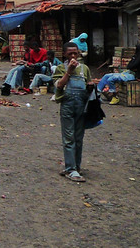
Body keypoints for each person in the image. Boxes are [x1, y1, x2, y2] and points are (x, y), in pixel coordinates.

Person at [52, 42, 92, 182]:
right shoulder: (60, 68)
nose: (73, 56)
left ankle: (76, 166)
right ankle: (71, 169)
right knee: (69, 137)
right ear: (64, 54)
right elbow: (60, 85)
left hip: (81, 105)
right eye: (70, 54)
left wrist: (90, 87)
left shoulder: (84, 69)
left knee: (79, 138)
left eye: (75, 53)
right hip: (67, 105)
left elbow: (88, 85)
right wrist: (68, 71)